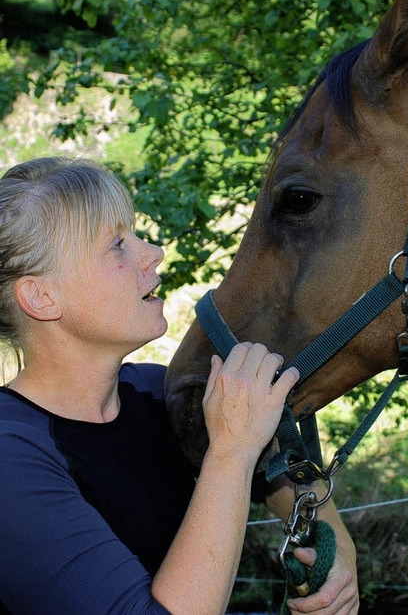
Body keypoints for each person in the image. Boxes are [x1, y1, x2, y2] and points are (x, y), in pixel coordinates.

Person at [0, 157, 359, 614]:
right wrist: (230, 453)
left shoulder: (159, 392)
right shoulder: (10, 457)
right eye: (117, 245)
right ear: (41, 297)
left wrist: (339, 552)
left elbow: (290, 481)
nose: (153, 252)